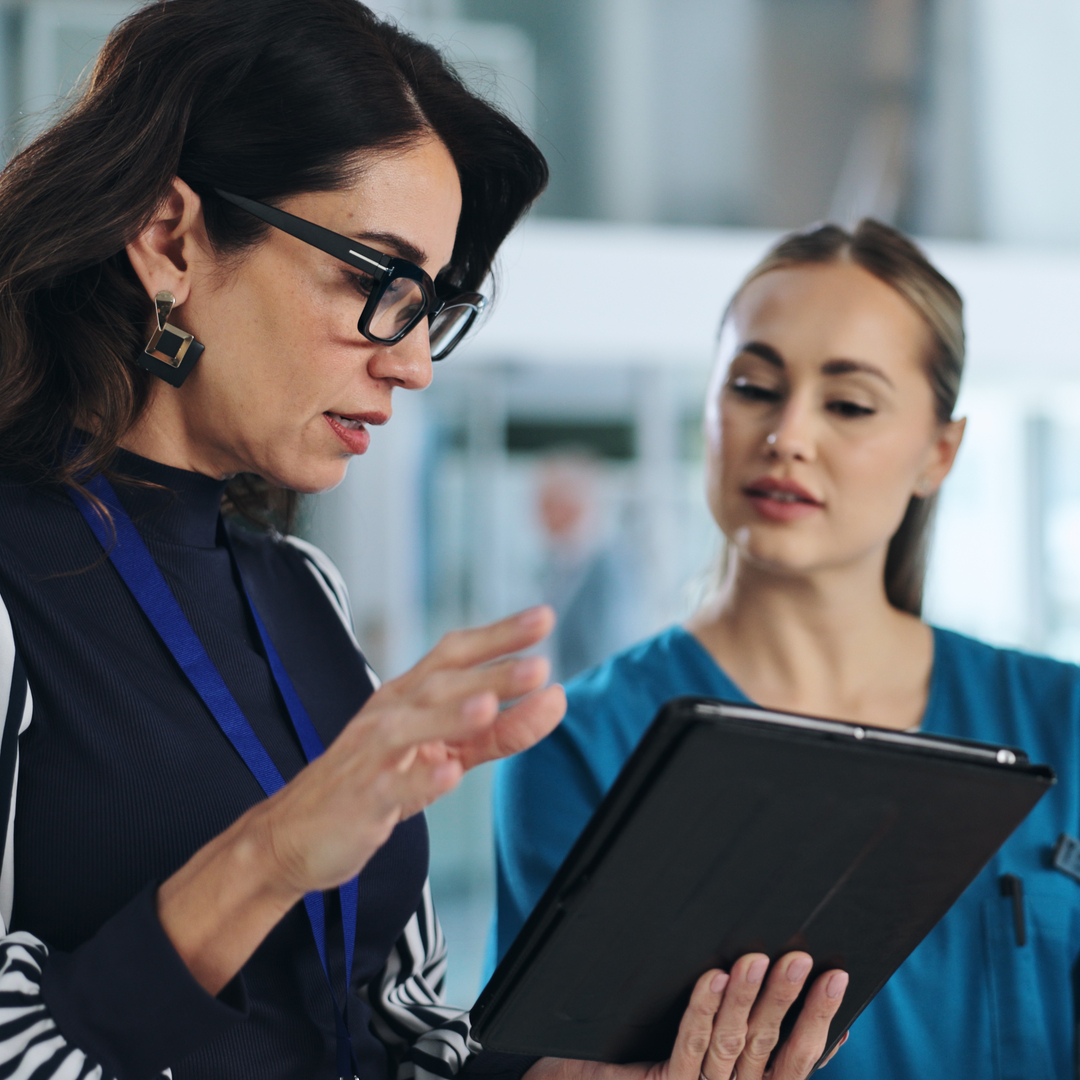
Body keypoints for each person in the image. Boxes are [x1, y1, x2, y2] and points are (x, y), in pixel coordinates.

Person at [0, 3, 847, 1078]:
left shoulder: (299, 590)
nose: (413, 364)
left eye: (431, 304)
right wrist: (267, 855)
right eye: (373, 280)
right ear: (172, 238)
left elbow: (393, 1026)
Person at [492, 220, 1080, 1078]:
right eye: (755, 386)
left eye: (848, 404)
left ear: (938, 454)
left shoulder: (1061, 720)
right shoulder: (581, 742)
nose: (788, 435)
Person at [535, 454, 641, 683]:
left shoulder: (607, 569)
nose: (537, 516)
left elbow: (605, 654)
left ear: (569, 506)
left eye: (544, 504)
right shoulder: (563, 564)